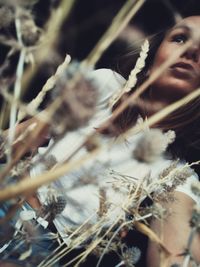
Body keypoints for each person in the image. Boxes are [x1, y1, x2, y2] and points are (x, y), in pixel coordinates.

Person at [1, 15, 200, 267]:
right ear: (150, 63)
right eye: (180, 38)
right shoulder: (107, 86)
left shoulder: (176, 175)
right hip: (9, 192)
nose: (191, 50)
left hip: (41, 246)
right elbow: (26, 133)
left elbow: (178, 250)